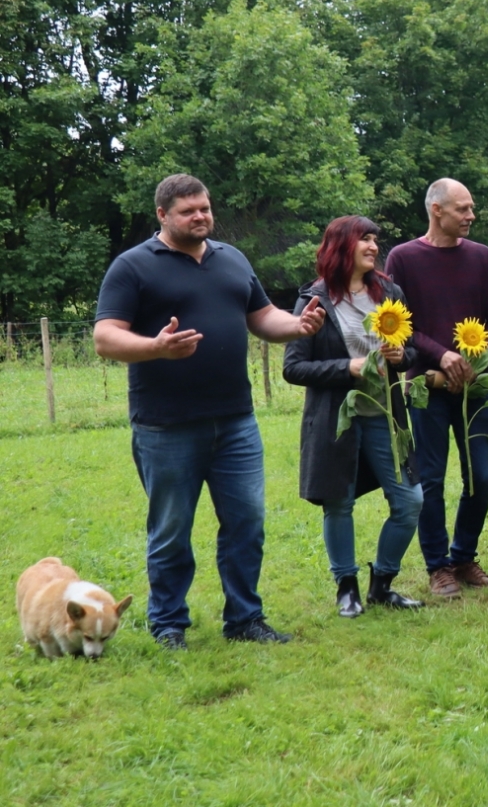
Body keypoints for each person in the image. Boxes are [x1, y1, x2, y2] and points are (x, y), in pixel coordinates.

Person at [93, 174, 325, 649]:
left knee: (247, 522)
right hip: (167, 425)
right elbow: (105, 337)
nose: (200, 216)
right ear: (162, 215)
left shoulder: (231, 259)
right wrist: (156, 348)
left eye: (204, 207)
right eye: (187, 211)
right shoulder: (133, 266)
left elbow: (262, 317)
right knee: (172, 530)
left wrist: (298, 326)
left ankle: (244, 619)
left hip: (236, 420)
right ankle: (169, 623)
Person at [283, 216, 425, 617]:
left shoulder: (389, 292)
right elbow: (294, 368)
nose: (373, 246)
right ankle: (347, 588)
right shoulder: (315, 298)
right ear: (340, 245)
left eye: (375, 239)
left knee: (410, 501)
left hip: (385, 415)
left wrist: (402, 357)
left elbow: (409, 350)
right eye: (364, 239)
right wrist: (349, 368)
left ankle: (382, 583)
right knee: (339, 502)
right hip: (336, 418)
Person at [385, 178, 488, 599]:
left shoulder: (481, 258)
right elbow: (401, 324)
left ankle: (464, 556)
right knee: (431, 479)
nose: (471, 216)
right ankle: (438, 567)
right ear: (436, 209)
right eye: (463, 209)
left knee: (482, 475)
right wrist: (443, 357)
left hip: (474, 387)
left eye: (471, 208)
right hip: (426, 388)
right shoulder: (403, 258)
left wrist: (473, 361)